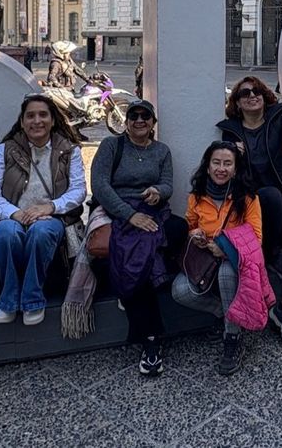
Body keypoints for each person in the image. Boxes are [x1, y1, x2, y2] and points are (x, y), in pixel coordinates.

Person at [217, 77, 282, 347]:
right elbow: (222, 165)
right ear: (237, 103)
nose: (252, 96)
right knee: (269, 196)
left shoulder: (277, 120)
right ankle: (272, 253)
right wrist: (233, 152)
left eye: (257, 91)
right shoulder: (231, 132)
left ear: (265, 97)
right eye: (244, 93)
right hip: (253, 206)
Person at [88, 99, 179, 376]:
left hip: (151, 210)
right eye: (134, 116)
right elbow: (100, 185)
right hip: (118, 211)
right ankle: (151, 339)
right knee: (140, 259)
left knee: (177, 230)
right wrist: (129, 215)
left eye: (145, 116)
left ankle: (126, 287)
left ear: (153, 123)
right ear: (126, 122)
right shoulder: (111, 146)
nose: (139, 120)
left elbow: (168, 184)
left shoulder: (161, 151)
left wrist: (158, 191)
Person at [0, 94, 86, 327]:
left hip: (50, 216)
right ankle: (8, 298)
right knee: (6, 234)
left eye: (43, 115)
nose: (37, 121)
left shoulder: (69, 150)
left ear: (53, 120)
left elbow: (78, 191)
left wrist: (50, 206)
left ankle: (32, 298)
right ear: (22, 121)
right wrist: (16, 213)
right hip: (11, 216)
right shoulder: (4, 150)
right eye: (30, 116)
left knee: (41, 232)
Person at [171, 141, 270, 375]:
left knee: (226, 272)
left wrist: (225, 250)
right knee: (179, 291)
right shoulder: (197, 196)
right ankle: (226, 315)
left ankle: (232, 337)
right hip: (205, 260)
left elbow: (256, 239)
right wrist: (195, 234)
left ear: (236, 169)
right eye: (216, 162)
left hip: (236, 261)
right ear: (207, 166)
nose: (221, 169)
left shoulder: (248, 198)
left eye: (227, 164)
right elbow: (190, 225)